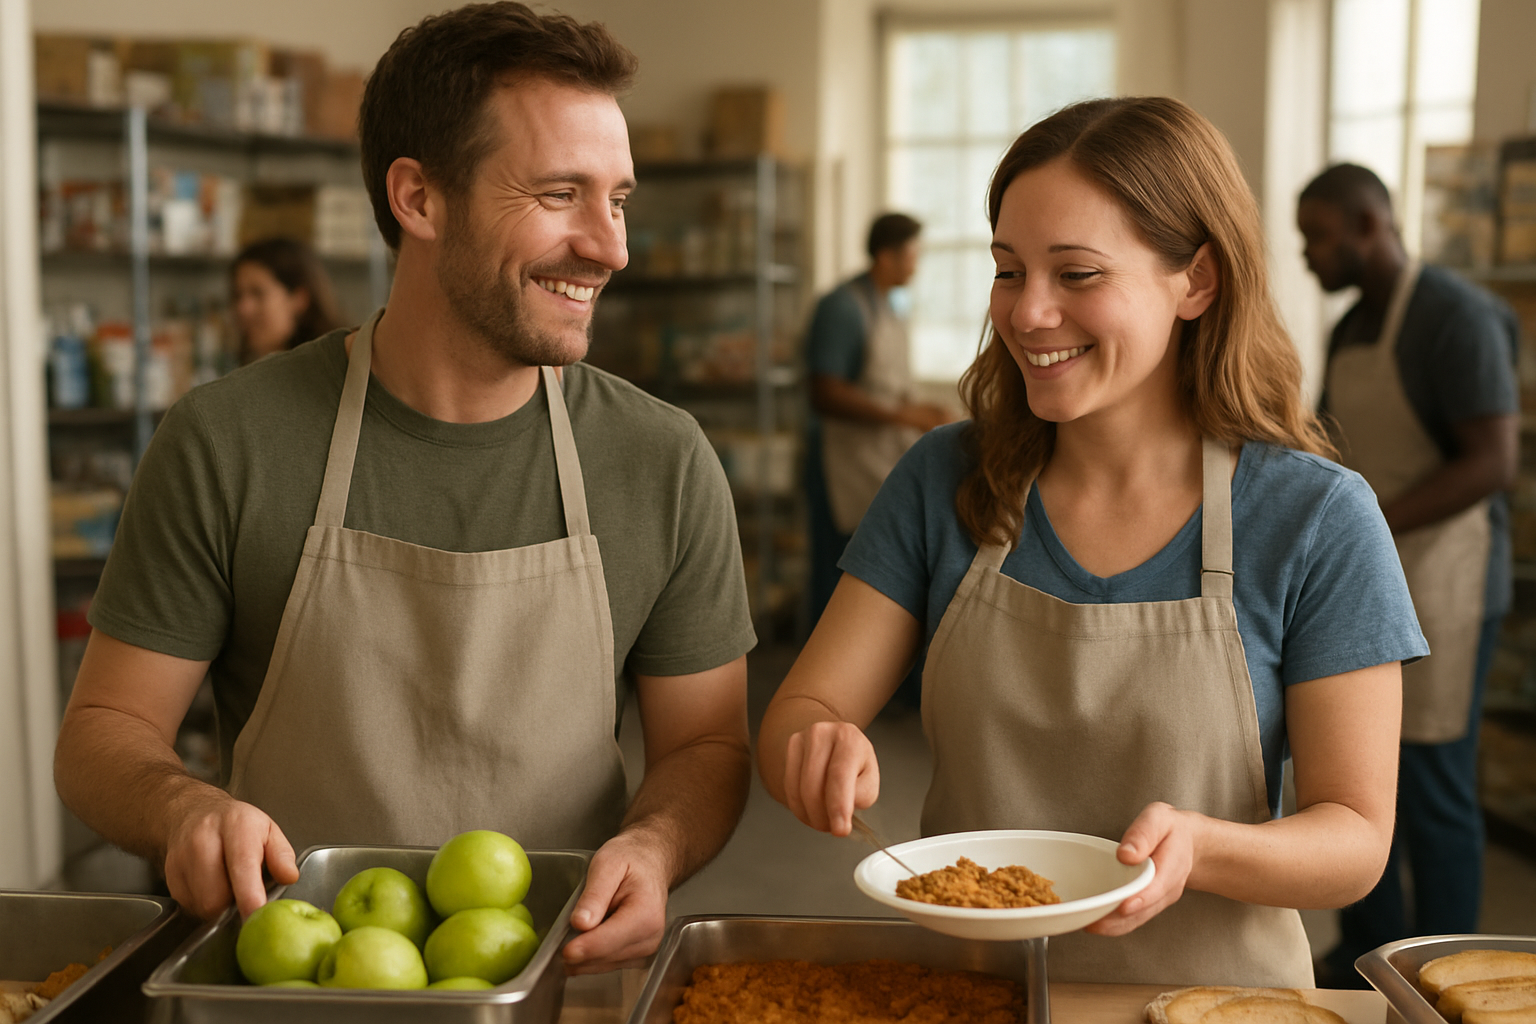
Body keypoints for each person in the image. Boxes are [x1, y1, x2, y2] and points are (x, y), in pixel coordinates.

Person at [53, 3, 756, 975]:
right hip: (287, 988)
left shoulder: (661, 461)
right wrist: (182, 807)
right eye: (562, 194)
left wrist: (656, 844)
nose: (611, 246)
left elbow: (708, 747)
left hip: (558, 983)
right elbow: (103, 733)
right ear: (418, 199)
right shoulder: (228, 441)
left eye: (619, 198)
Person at [758, 97, 1427, 987]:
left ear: (1197, 281)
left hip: (1221, 1005)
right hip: (970, 998)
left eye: (1076, 274)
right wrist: (816, 746)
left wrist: (1200, 847)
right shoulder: (942, 480)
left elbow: (1354, 837)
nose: (1029, 313)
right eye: (1008, 270)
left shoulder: (1316, 519)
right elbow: (798, 717)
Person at [1298, 163, 1521, 984]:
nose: (1306, 253)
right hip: (1368, 577)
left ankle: (1446, 969)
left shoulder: (1454, 319)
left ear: (1366, 225)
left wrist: (1363, 527)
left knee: (1430, 782)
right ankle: (1368, 955)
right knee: (1358, 776)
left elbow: (1493, 461)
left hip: (1446, 578)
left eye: (1315, 234)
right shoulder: (1352, 327)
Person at [803, 213, 952, 629]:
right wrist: (904, 415)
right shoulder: (842, 308)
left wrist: (923, 409)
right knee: (841, 577)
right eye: (911, 255)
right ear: (886, 257)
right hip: (842, 463)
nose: (915, 266)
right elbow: (826, 393)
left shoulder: (890, 305)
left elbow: (883, 383)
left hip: (877, 458)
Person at [230, 237, 343, 363]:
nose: (243, 309)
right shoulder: (249, 371)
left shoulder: (330, 369)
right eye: (237, 295)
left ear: (299, 298)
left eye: (258, 293)